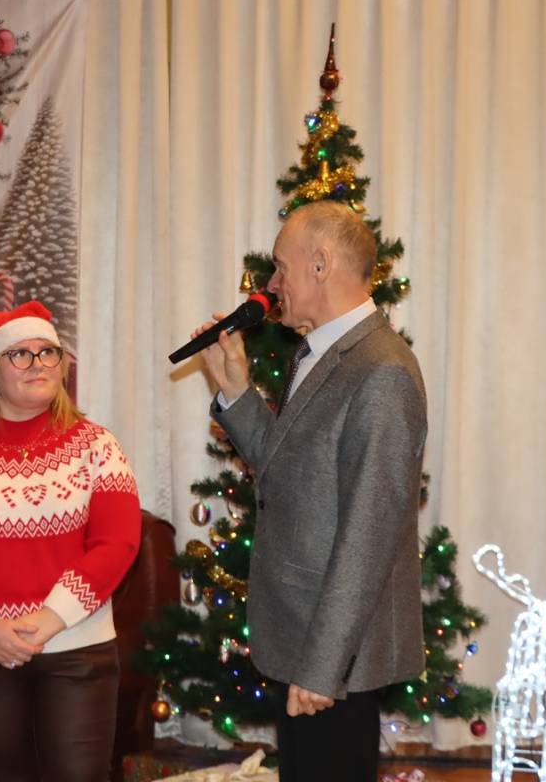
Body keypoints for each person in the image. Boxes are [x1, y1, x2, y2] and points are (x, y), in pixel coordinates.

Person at [193, 201, 427, 781]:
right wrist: (236, 390)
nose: (271, 285)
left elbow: (369, 535)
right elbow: (287, 471)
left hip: (333, 654)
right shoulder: (317, 353)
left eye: (281, 267)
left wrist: (324, 666)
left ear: (320, 264)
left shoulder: (381, 370)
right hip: (303, 634)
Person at [0, 300, 141, 782]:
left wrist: (50, 618)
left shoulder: (98, 447)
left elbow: (117, 544)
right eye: (20, 354)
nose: (38, 364)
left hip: (77, 647)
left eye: (48, 352)